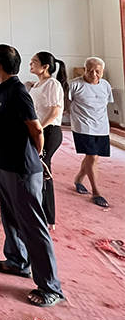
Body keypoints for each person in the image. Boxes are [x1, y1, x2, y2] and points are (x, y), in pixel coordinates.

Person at [0, 44, 64, 307]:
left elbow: (36, 129)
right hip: (7, 167)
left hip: (22, 169)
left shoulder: (18, 92)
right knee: (10, 218)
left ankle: (50, 287)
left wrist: (36, 156)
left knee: (33, 225)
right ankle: (17, 261)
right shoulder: (4, 90)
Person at [28, 51, 68, 229]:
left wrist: (39, 128)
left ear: (45, 66)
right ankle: (36, 211)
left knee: (43, 172)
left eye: (34, 62)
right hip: (38, 131)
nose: (31, 64)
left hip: (49, 132)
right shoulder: (37, 84)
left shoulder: (52, 84)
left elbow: (55, 111)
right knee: (36, 171)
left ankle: (47, 216)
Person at [69, 56, 114, 208]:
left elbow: (104, 105)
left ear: (102, 71)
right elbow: (66, 105)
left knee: (93, 158)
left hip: (102, 127)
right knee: (92, 156)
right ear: (85, 69)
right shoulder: (74, 85)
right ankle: (96, 192)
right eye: (90, 71)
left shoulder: (106, 85)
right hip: (83, 126)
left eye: (97, 71)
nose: (94, 74)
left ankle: (78, 179)